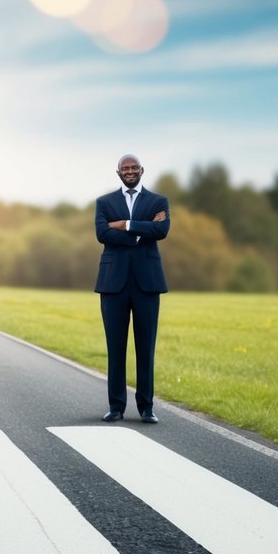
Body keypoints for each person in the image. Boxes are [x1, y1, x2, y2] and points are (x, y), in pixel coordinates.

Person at [95, 153, 170, 424]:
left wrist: (125, 225)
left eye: (133, 167)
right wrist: (141, 232)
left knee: (145, 348)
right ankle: (116, 407)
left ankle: (146, 408)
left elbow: (162, 231)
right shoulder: (104, 202)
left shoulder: (158, 201)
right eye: (124, 168)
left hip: (147, 284)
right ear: (118, 172)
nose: (129, 171)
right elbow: (102, 234)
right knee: (115, 348)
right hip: (112, 284)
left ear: (141, 170)